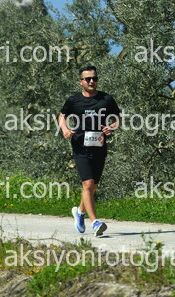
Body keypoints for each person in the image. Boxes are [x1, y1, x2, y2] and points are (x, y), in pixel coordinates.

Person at [59, 65, 120, 237]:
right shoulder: (74, 100)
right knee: (87, 184)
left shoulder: (106, 99)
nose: (92, 81)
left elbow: (117, 118)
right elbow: (62, 115)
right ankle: (95, 222)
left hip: (99, 146)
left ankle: (79, 212)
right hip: (80, 146)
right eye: (88, 79)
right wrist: (65, 129)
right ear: (81, 82)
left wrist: (112, 127)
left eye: (94, 78)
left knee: (92, 187)